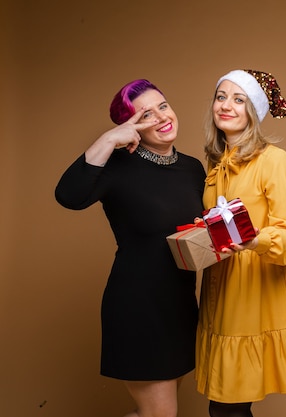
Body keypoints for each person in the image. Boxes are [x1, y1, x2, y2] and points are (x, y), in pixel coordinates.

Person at [55, 79, 206, 417]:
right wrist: (109, 139)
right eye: (145, 115)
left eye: (163, 106)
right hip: (137, 308)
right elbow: (68, 196)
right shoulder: (117, 165)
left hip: (180, 306)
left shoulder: (193, 168)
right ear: (131, 125)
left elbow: (199, 233)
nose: (160, 118)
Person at [196, 69, 286, 417]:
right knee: (223, 406)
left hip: (251, 297)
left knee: (228, 408)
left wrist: (250, 240)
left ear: (255, 112)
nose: (226, 106)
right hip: (220, 291)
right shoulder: (217, 163)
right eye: (221, 97)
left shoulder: (274, 161)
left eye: (238, 99)